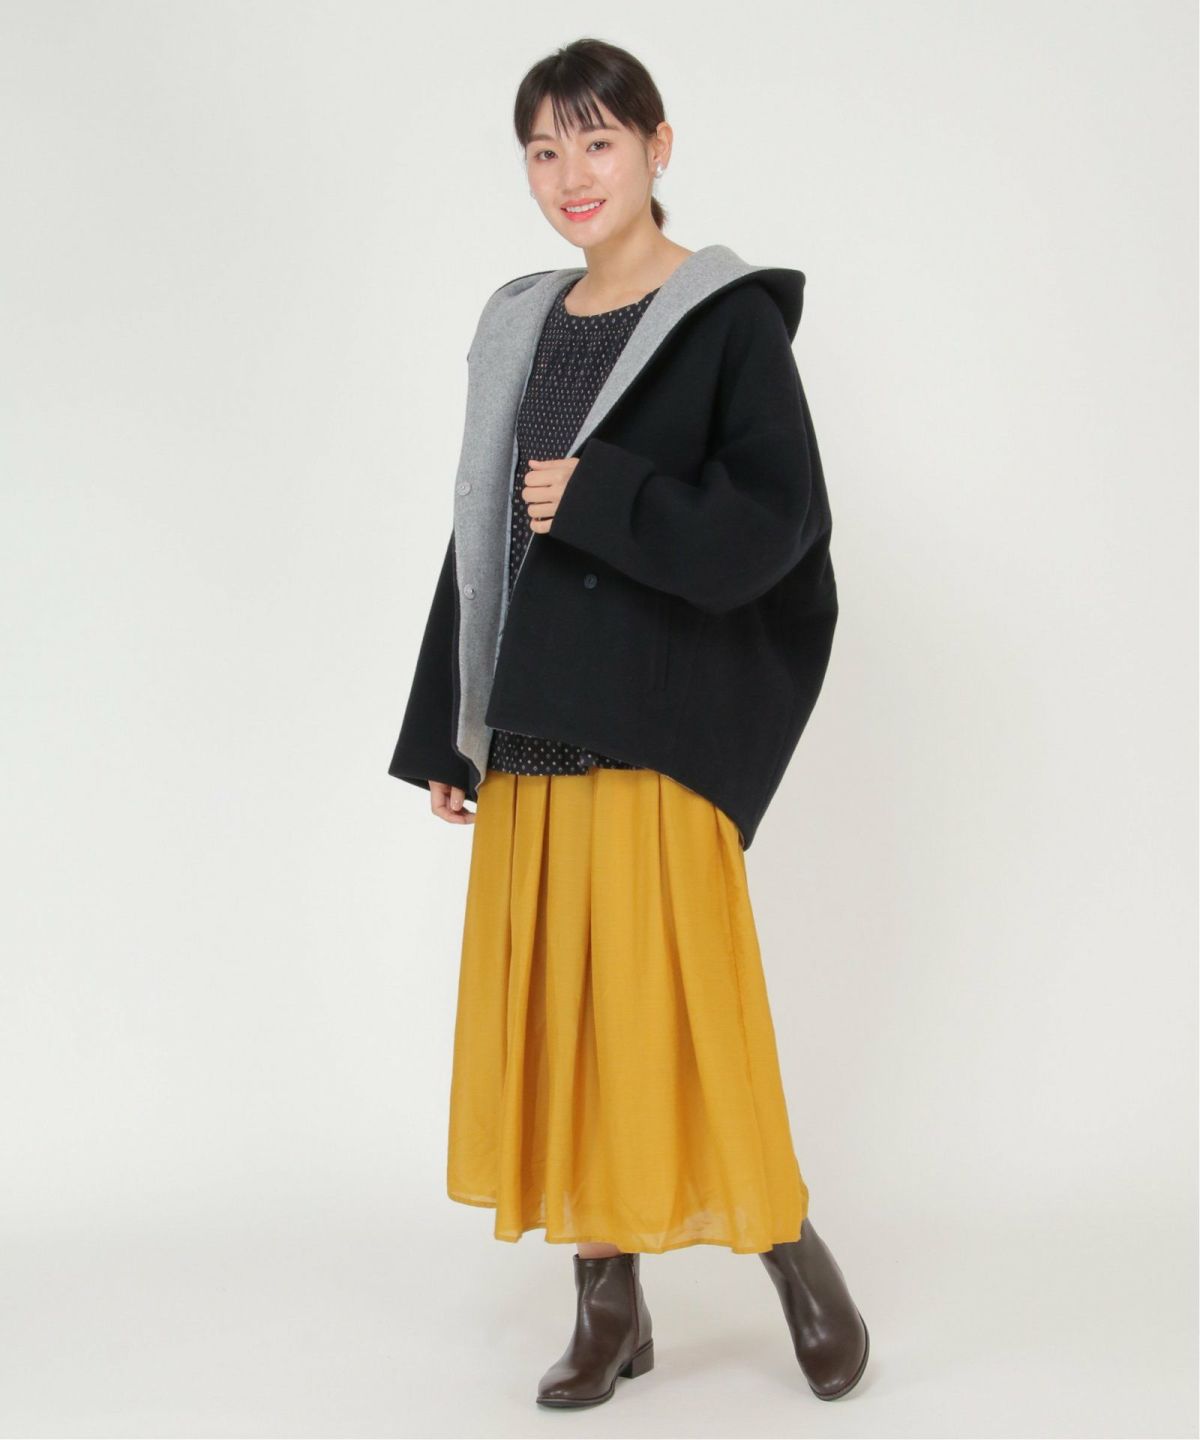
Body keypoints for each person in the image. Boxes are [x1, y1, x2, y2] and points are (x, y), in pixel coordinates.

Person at [387, 37, 868, 1409]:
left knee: (689, 1014)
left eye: (596, 141)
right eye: (543, 151)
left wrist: (603, 498)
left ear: (659, 146)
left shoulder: (722, 322)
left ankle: (791, 1253)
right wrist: (447, 728)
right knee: (564, 1028)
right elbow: (485, 531)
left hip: (653, 725)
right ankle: (610, 1306)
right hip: (535, 725)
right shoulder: (522, 322)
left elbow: (780, 527)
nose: (570, 176)